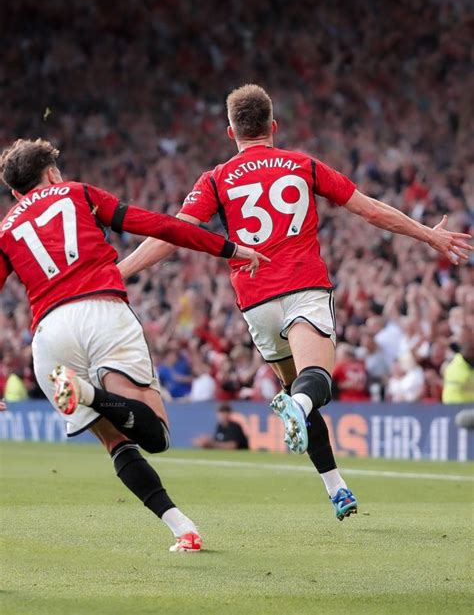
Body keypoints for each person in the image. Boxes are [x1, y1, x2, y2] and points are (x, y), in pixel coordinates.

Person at [119, 85, 473, 521]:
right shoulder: (302, 164)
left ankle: (336, 487)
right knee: (316, 381)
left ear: (231, 131)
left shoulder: (215, 178)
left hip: (256, 303)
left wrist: (120, 272)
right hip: (302, 288)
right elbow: (369, 210)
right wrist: (429, 234)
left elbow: (174, 233)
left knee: (298, 389)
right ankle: (301, 412)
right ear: (273, 126)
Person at [0, 137, 266, 552]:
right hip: (101, 312)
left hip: (49, 336)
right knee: (156, 434)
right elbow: (159, 226)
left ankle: (183, 529)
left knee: (116, 442)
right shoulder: (78, 192)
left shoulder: (6, 228)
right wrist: (228, 247)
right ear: (51, 174)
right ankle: (89, 392)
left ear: (16, 193)